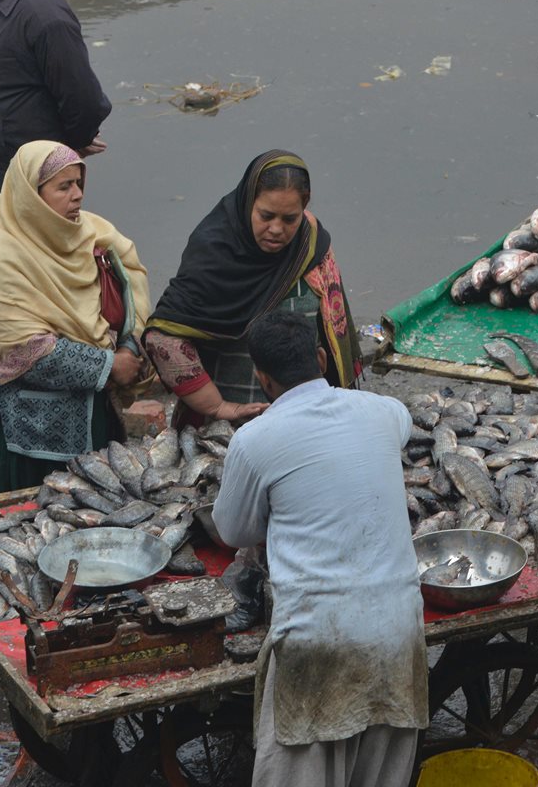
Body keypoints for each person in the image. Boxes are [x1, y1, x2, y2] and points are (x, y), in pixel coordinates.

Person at [212, 311, 427, 787]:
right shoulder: (385, 412)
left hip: (317, 639)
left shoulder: (253, 440)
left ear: (260, 377)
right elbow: (400, 427)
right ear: (322, 358)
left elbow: (233, 531)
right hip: (398, 628)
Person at [0, 140, 150, 496]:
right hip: (21, 433)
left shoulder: (93, 234)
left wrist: (129, 345)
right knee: (24, 519)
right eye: (63, 186)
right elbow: (26, 351)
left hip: (90, 411)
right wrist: (111, 366)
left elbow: (132, 290)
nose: (77, 196)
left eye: (79, 183)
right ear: (31, 196)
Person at [144, 150, 361, 429]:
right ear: (248, 202)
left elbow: (334, 328)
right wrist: (219, 406)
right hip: (227, 425)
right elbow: (164, 334)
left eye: (289, 219)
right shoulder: (214, 251)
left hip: (304, 418)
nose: (276, 229)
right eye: (266, 215)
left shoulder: (311, 243)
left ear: (304, 207)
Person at [0, 0, 112, 231]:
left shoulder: (44, 15)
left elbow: (86, 104)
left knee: (30, 270)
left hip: (26, 193)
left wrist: (68, 151)